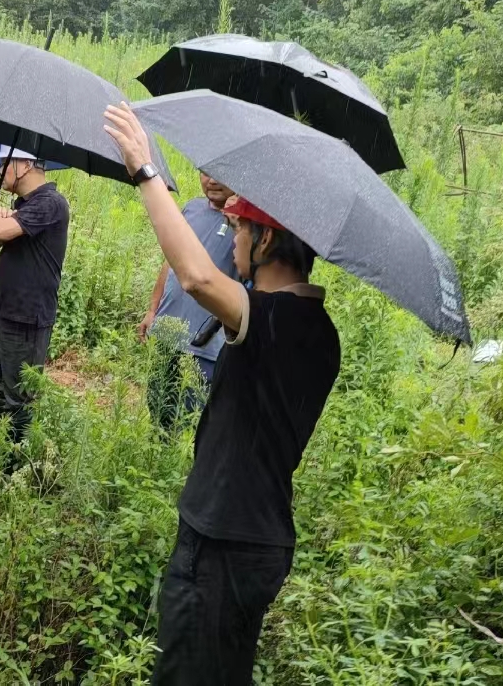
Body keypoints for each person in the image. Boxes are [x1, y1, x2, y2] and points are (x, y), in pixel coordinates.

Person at [104, 103, 341, 686]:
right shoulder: (319, 329)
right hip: (254, 536)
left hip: (223, 541)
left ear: (266, 239)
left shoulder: (275, 320)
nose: (231, 237)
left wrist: (144, 171)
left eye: (238, 228)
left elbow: (195, 277)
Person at [0, 147, 70, 455]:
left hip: (27, 317)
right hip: (4, 310)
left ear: (24, 165)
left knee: (18, 394)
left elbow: (2, 230)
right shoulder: (25, 205)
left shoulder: (51, 203)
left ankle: (13, 463)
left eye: (3, 164)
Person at [139, 172, 237, 431]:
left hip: (205, 347)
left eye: (221, 173)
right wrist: (153, 310)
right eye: (207, 172)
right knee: (157, 412)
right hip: (166, 332)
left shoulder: (246, 224)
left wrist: (238, 221)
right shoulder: (191, 208)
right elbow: (170, 262)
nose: (213, 180)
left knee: (191, 426)